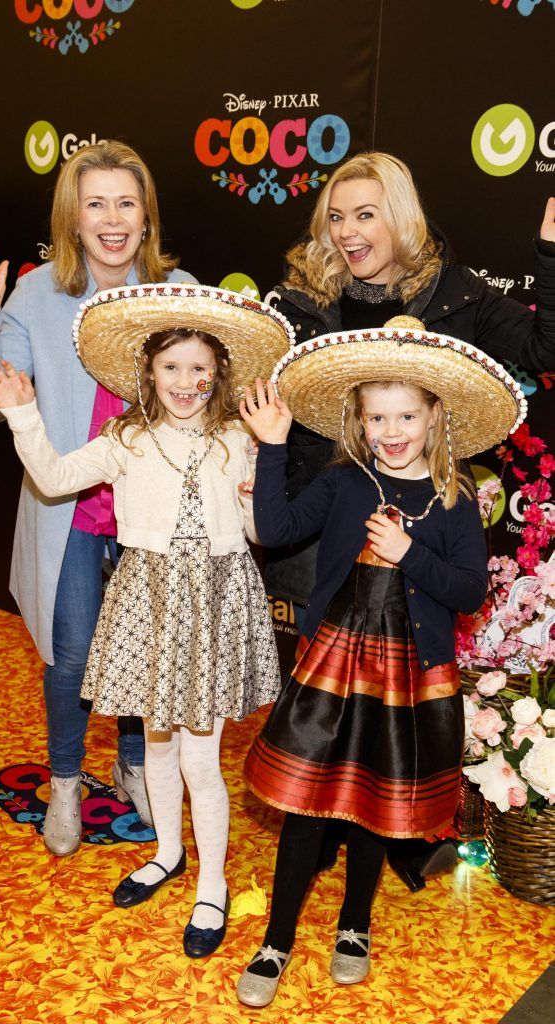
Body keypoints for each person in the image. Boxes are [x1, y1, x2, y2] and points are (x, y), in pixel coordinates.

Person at [262, 150, 555, 889]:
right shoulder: (298, 302)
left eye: (366, 214)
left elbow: (544, 349)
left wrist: (549, 257)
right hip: (321, 534)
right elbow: (254, 398)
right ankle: (322, 817)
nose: (349, 232)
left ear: (401, 215)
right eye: (335, 216)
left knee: (396, 700)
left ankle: (386, 825)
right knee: (326, 695)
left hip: (416, 534)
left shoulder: (453, 297)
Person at [0, 283, 292, 958]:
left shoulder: (238, 439)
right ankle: (168, 853)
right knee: (155, 745)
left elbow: (264, 532)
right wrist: (24, 416)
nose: (186, 381)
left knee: (202, 761)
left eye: (199, 367)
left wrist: (265, 463)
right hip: (145, 602)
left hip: (211, 602)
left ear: (219, 373)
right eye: (171, 366)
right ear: (148, 372)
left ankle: (210, 885)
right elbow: (56, 477)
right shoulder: (124, 437)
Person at [235, 319, 526, 1006]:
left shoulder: (454, 502)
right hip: (332, 667)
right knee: (306, 808)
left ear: (433, 415)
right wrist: (271, 448)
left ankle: (354, 925)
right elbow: (274, 532)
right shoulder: (343, 483)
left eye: (405, 415)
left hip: (406, 678)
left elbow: (467, 590)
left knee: (373, 807)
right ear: (357, 420)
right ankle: (277, 937)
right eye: (375, 416)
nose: (390, 431)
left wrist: (409, 554)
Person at [0, 141, 198, 856]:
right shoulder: (37, 292)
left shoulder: (180, 291)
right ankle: (63, 782)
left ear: (146, 217)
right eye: (95, 204)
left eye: (125, 202)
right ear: (72, 220)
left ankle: (135, 764)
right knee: (73, 654)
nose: (111, 219)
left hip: (153, 514)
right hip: (69, 509)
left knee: (146, 653)